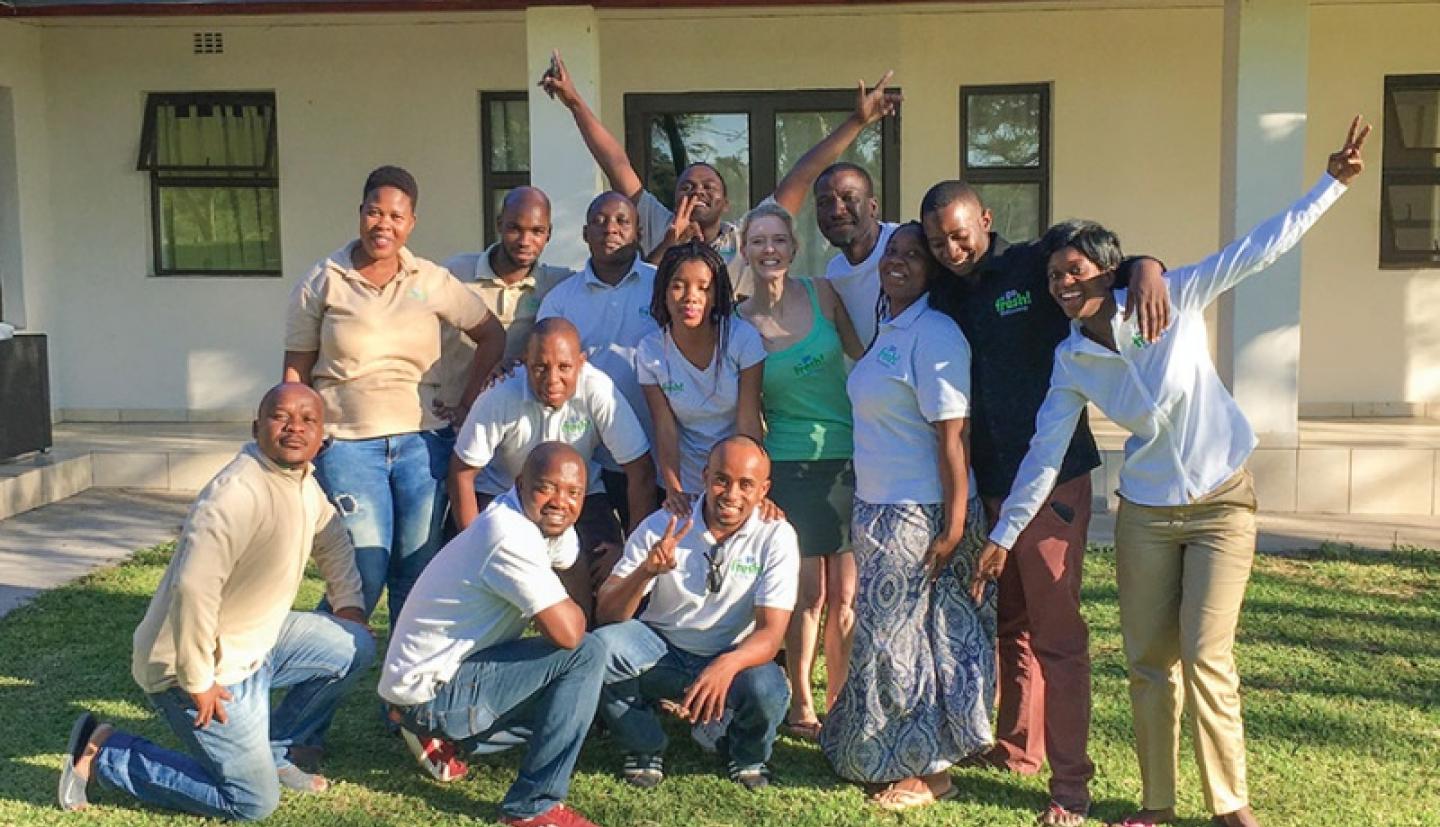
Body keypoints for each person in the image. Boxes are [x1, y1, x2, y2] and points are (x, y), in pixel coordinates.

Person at [978, 118, 1369, 827]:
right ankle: (1157, 803)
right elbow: (1043, 452)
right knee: (1149, 662)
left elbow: (1260, 248)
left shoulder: (1174, 295)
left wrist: (1331, 184)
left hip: (1222, 503)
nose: (1063, 284)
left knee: (1206, 653)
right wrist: (1005, 534)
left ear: (1108, 271)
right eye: (1055, 275)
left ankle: (1231, 807)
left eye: (1075, 271)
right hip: (1147, 513)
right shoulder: (1071, 359)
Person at [921, 174, 1169, 825]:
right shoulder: (944, 288)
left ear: (985, 220)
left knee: (1057, 636)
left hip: (1053, 482)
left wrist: (1149, 267)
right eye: (938, 241)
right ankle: (1016, 747)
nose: (951, 249)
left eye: (959, 235)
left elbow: (1106, 263)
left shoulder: (1032, 264)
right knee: (1011, 623)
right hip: (988, 484)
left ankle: (1071, 787)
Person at [57, 383, 375, 820]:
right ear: (256, 427)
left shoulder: (302, 482)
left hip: (257, 646)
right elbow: (193, 588)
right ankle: (105, 753)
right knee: (252, 802)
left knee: (354, 645)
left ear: (322, 436)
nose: (295, 428)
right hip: (198, 668)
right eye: (281, 417)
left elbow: (331, 535)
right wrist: (198, 679)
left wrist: (348, 605)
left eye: (308, 420)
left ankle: (274, 750)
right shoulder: (236, 493)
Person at [284, 165, 506, 627]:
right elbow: (295, 373)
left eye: (396, 216)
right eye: (374, 212)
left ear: (411, 223)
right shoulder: (324, 279)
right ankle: (314, 657)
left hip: (422, 444)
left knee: (417, 572)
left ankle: (403, 674)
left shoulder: (429, 279)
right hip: (347, 445)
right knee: (363, 573)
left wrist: (466, 404)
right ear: (360, 213)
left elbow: (491, 334)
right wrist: (298, 440)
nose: (383, 224)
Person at [819, 222, 993, 812]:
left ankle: (931, 770)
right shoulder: (889, 328)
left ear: (933, 269)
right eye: (892, 252)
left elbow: (953, 437)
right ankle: (883, 752)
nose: (897, 261)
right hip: (878, 508)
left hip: (921, 511)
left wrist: (954, 525)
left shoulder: (936, 333)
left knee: (913, 645)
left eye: (913, 255)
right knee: (884, 641)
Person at [540, 50, 899, 302]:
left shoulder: (747, 235)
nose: (697, 191)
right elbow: (616, 163)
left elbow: (803, 175)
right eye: (687, 186)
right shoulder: (657, 222)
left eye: (708, 186)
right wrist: (575, 103)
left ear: (726, 203)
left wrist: (857, 123)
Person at [381, 442, 609, 827]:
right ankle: (531, 807)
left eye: (574, 492)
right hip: (430, 691)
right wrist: (564, 612)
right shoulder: (509, 534)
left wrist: (565, 608)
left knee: (574, 692)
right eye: (547, 487)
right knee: (586, 656)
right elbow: (570, 635)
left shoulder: (539, 519)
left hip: (436, 674)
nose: (561, 501)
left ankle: (442, 735)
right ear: (520, 484)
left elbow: (571, 565)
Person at [593, 435, 798, 791]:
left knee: (768, 688)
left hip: (730, 655)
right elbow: (608, 615)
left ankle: (746, 755)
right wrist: (646, 572)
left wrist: (726, 665)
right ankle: (645, 745)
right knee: (600, 649)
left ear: (764, 490)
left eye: (746, 484)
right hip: (662, 648)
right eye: (721, 479)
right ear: (704, 476)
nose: (731, 494)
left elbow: (771, 633)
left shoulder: (776, 536)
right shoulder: (663, 523)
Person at [735, 202, 864, 740]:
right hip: (788, 464)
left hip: (849, 458)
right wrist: (757, 480)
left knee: (847, 595)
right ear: (744, 251)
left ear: (794, 247)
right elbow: (747, 412)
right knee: (808, 593)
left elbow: (865, 358)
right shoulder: (740, 322)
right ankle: (802, 702)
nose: (769, 250)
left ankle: (841, 701)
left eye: (778, 240)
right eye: (758, 241)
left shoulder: (823, 294)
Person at [448, 318, 656, 617]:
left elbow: (641, 470)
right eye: (540, 368)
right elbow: (461, 473)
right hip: (504, 496)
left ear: (581, 363)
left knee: (607, 570)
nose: (552, 379)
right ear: (524, 362)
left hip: (577, 498)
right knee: (480, 587)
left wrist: (629, 552)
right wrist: (474, 546)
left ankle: (592, 636)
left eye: (564, 367)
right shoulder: (500, 393)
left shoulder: (598, 389)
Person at [536, 191, 660, 529]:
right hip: (586, 455)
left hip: (653, 450)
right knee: (594, 550)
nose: (610, 229)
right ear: (584, 233)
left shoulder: (662, 286)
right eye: (599, 221)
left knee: (647, 545)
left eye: (622, 221)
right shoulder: (561, 299)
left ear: (638, 233)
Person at [638, 241, 766, 514]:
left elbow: (749, 421)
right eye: (678, 286)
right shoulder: (650, 350)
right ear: (663, 292)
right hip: (685, 482)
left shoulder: (742, 338)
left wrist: (749, 486)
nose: (691, 297)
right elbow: (665, 429)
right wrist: (674, 491)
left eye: (703, 288)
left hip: (736, 481)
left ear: (717, 295)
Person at [434, 186, 575, 423]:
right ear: (499, 225)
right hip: (450, 417)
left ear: (549, 234)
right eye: (515, 229)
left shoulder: (559, 286)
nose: (525, 241)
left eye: (537, 231)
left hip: (515, 422)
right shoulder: (456, 272)